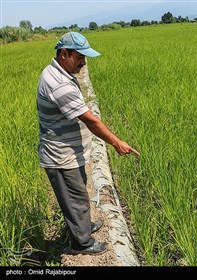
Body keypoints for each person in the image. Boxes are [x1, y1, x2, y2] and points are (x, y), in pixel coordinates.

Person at [36, 31, 140, 255]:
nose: (84, 62)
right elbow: (90, 120)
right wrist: (117, 143)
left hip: (70, 150)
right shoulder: (59, 84)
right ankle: (81, 243)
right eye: (80, 57)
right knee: (76, 199)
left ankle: (83, 226)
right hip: (61, 155)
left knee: (79, 193)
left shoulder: (60, 72)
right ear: (64, 54)